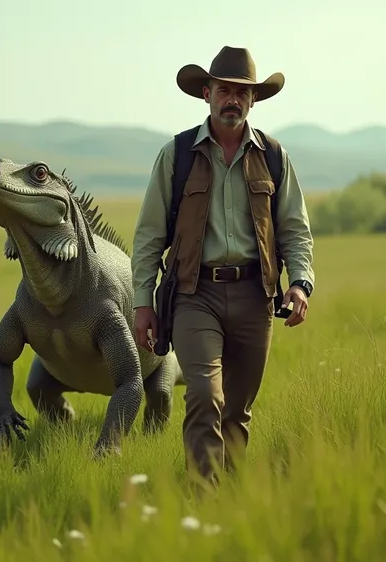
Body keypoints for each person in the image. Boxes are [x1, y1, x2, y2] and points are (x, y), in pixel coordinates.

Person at [131, 45, 315, 485]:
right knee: (204, 396)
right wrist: (143, 302)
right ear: (207, 94)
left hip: (256, 297)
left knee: (237, 410)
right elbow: (149, 235)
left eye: (241, 93)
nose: (232, 99)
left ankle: (230, 500)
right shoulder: (176, 156)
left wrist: (301, 284)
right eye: (224, 90)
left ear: (252, 101)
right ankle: (203, 499)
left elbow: (294, 229)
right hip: (197, 295)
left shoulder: (273, 156)